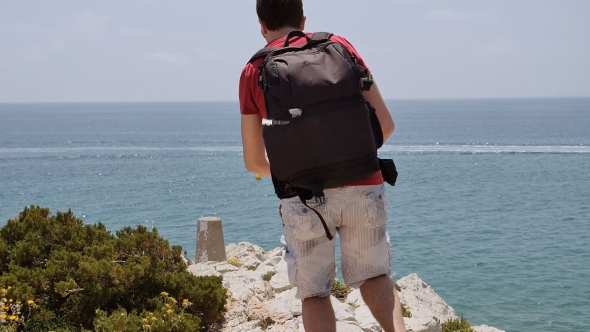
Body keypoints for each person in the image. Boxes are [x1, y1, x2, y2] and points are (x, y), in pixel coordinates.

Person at [239, 1, 406, 331]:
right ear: (303, 19)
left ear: (261, 24)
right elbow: (385, 125)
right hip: (363, 183)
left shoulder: (254, 70)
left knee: (314, 293)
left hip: (303, 198)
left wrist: (299, 169)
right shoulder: (340, 48)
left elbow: (254, 162)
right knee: (374, 277)